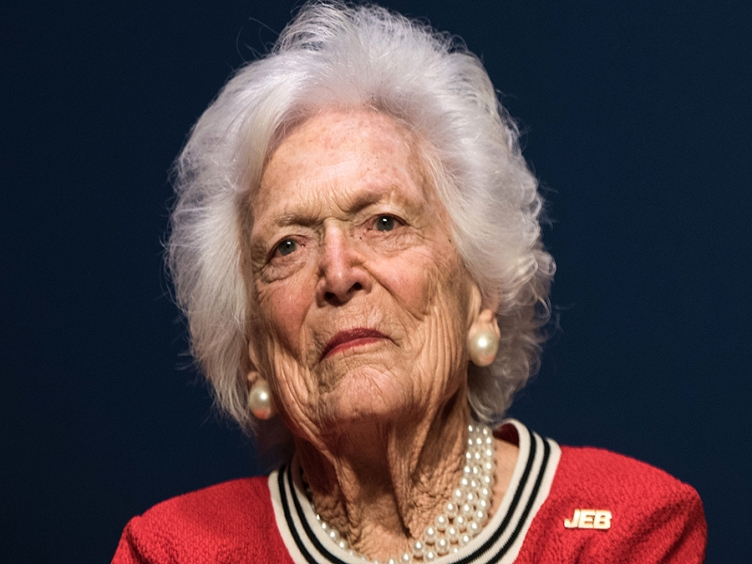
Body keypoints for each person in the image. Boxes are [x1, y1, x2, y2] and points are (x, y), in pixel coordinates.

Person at [113, 2, 706, 562]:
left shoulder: (628, 529)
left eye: (384, 223)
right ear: (253, 351)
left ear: (481, 293)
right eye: (288, 246)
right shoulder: (174, 550)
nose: (338, 273)